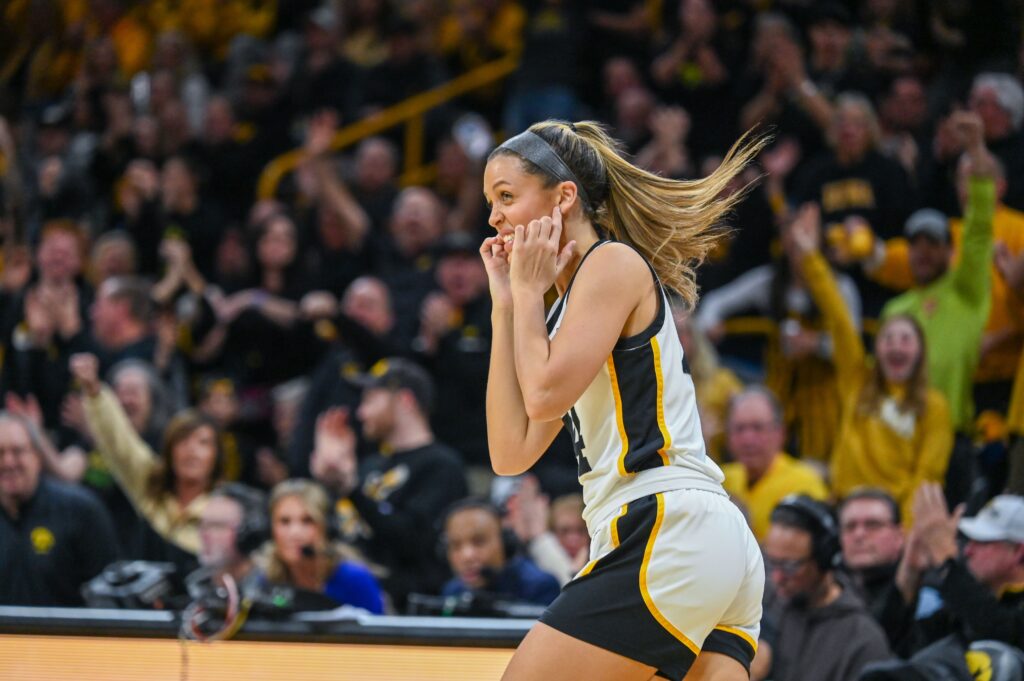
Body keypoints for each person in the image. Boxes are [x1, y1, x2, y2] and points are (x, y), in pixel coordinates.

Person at [480, 119, 766, 680]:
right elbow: (509, 452)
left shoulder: (611, 264)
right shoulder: (561, 315)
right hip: (697, 543)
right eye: (490, 202)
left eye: (506, 197)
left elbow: (539, 396)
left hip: (664, 525)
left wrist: (525, 293)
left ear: (564, 198)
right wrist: (506, 309)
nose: (493, 218)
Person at [789, 202, 953, 522]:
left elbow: (927, 477)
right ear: (876, 350)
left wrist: (902, 531)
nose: (896, 346)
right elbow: (838, 317)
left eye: (906, 339)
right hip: (843, 511)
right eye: (888, 338)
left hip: (889, 520)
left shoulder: (934, 407)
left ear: (919, 351)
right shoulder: (857, 381)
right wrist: (810, 257)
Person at [309, 358, 468, 611]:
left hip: (405, 613)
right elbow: (342, 534)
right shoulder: (369, 466)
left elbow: (412, 541)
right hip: (345, 600)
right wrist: (325, 481)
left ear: (405, 400)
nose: (361, 412)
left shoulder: (442, 466)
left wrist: (351, 490)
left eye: (371, 400)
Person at [71, 352, 221, 573]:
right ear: (169, 451)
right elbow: (121, 445)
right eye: (182, 441)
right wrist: (95, 393)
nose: (192, 452)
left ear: (217, 456)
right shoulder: (152, 489)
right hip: (145, 605)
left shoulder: (226, 508)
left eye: (203, 443)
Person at [764, 495, 892, 681]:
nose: (777, 578)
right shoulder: (763, 605)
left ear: (825, 559)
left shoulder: (861, 639)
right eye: (771, 563)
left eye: (790, 567)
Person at [0, 411, 118, 605]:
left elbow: (111, 598)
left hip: (67, 635)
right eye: (0, 453)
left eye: (18, 451)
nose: (8, 462)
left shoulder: (81, 511)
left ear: (38, 457)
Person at [896, 484, 1024, 654]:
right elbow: (898, 648)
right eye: (969, 540)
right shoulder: (962, 608)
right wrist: (909, 574)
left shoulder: (975, 605)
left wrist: (945, 558)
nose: (967, 550)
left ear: (1018, 551)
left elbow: (1002, 632)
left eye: (983, 542)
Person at [254, 479, 383, 614]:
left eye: (307, 521)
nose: (294, 533)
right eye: (284, 522)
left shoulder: (354, 580)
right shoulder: (266, 581)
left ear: (327, 528)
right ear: (270, 530)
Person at [721, 386, 830, 543]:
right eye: (739, 429)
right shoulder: (719, 478)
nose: (748, 439)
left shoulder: (804, 483)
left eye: (758, 428)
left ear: (780, 433)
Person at [441, 498, 561, 607]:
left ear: (505, 542)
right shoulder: (454, 591)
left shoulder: (540, 586)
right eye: (456, 545)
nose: (467, 556)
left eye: (479, 542)